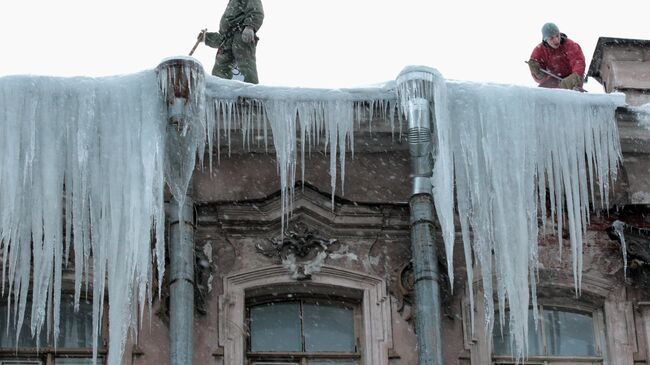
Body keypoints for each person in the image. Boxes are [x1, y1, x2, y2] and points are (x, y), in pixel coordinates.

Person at [199, 0, 264, 84]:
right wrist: (206, 38)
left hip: (241, 35)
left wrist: (250, 26)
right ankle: (219, 91)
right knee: (220, 71)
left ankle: (251, 93)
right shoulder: (232, 3)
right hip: (227, 41)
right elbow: (222, 39)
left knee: (246, 66)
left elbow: (257, 11)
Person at [528, 23, 585, 90]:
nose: (556, 40)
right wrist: (538, 75)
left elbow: (578, 61)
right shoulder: (539, 51)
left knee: (574, 94)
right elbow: (540, 76)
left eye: (557, 36)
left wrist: (575, 77)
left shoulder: (570, 45)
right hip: (553, 79)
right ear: (545, 39)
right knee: (541, 94)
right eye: (551, 38)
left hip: (572, 78)